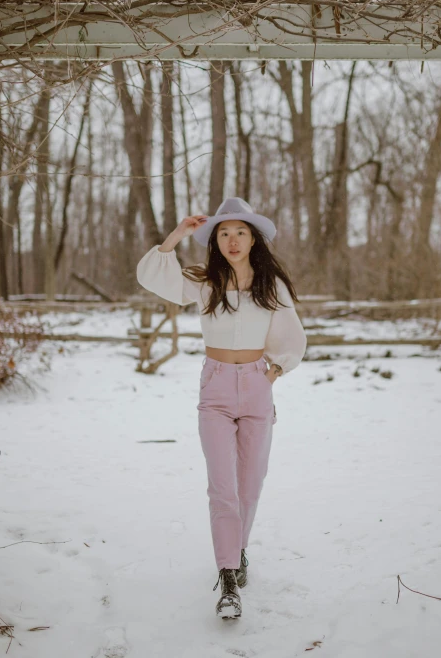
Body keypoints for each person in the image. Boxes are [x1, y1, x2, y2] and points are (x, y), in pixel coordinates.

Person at [136, 197, 307, 619]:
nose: (232, 240)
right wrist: (176, 235)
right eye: (224, 233)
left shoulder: (271, 286)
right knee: (222, 487)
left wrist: (271, 375)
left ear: (254, 239)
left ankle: (238, 549)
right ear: (215, 241)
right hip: (214, 389)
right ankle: (228, 576)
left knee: (250, 483)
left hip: (255, 387)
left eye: (240, 232)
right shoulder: (203, 280)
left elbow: (292, 337)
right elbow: (152, 276)